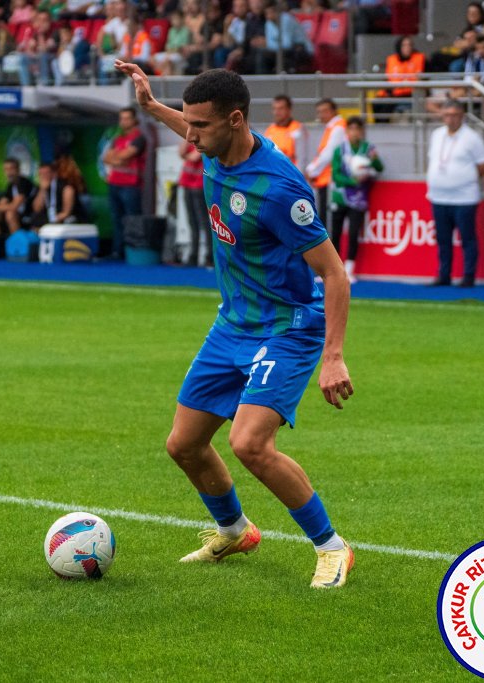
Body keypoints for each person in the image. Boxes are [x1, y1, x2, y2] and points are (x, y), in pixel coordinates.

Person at [115, 60, 356, 588]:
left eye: (200, 125)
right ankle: (234, 530)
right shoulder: (216, 143)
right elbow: (189, 125)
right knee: (183, 445)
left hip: (287, 327)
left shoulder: (279, 189)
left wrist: (333, 355)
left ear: (237, 119)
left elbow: (334, 274)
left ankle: (332, 547)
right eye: (189, 122)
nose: (191, 134)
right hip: (233, 324)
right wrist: (153, 107)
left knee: (249, 444)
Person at [426, 100, 484, 288]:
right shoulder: (437, 134)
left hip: (464, 198)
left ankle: (468, 276)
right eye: (447, 114)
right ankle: (444, 274)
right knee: (443, 240)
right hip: (438, 196)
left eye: (454, 115)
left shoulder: (472, 138)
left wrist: (464, 179)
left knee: (467, 238)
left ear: (462, 115)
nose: (450, 119)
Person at [330, 116, 383, 284]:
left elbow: (380, 168)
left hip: (359, 199)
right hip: (340, 197)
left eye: (358, 129)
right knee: (335, 234)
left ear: (362, 131)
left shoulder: (368, 149)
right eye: (351, 129)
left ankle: (349, 271)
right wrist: (352, 181)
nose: (354, 132)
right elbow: (336, 175)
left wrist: (374, 160)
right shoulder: (340, 150)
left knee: (353, 234)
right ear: (347, 131)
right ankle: (333, 270)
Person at [101, 107, 147, 260]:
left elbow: (125, 156)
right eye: (121, 118)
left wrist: (118, 158)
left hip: (130, 185)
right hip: (114, 183)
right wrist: (118, 158)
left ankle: (132, 252)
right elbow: (106, 158)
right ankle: (117, 252)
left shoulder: (139, 138)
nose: (123, 122)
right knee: (116, 219)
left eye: (127, 118)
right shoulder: (118, 139)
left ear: (134, 120)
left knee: (131, 219)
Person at [305, 98, 346, 223]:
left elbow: (328, 154)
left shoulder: (338, 127)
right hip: (326, 179)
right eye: (319, 112)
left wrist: (311, 170)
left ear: (333, 111)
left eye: (324, 111)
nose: (321, 115)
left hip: (331, 180)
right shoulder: (332, 127)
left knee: (327, 220)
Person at [374, 35, 425, 122]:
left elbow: (419, 78)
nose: (407, 48)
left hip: (410, 93)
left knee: (387, 106)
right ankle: (379, 127)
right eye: (404, 45)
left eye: (409, 45)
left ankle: (384, 128)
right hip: (393, 92)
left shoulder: (419, 58)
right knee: (376, 103)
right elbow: (389, 78)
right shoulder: (391, 59)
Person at [0, 158, 37, 237]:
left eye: (11, 169)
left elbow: (14, 206)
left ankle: (17, 243)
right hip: (19, 215)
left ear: (18, 170)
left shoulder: (23, 182)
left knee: (10, 214)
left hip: (30, 215)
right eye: (6, 169)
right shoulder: (10, 185)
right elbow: (2, 202)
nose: (9, 172)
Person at [176, 141, 209, 266]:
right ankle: (193, 255)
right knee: (192, 222)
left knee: (204, 223)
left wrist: (186, 154)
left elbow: (194, 157)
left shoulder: (206, 140)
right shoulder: (191, 138)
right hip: (187, 183)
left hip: (199, 184)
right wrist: (186, 140)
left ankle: (209, 256)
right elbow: (181, 153)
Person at [30, 161, 87, 228]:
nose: (43, 176)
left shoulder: (65, 187)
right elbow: (37, 209)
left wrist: (52, 221)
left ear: (54, 174)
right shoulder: (40, 188)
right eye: (41, 174)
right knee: (35, 219)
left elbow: (66, 213)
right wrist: (43, 190)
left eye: (46, 173)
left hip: (69, 218)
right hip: (51, 217)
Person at [263, 94, 306, 169]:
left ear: (289, 109)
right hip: (274, 175)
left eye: (281, 108)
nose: (277, 112)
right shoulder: (270, 129)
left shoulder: (297, 129)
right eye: (274, 109)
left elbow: (302, 159)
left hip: (290, 175)